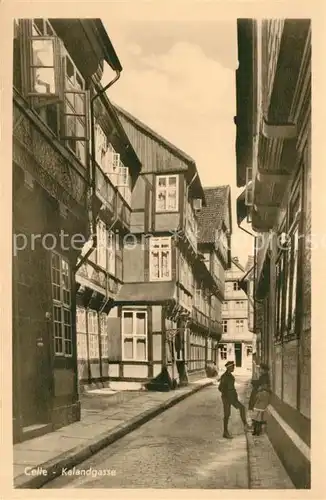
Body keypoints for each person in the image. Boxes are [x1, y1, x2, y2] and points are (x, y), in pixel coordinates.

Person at [218, 360, 248, 439]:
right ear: (229, 368)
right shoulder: (224, 377)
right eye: (232, 367)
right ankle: (225, 432)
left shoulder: (230, 376)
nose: (234, 368)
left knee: (242, 408)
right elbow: (220, 388)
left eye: (234, 366)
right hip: (227, 398)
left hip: (232, 397)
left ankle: (245, 425)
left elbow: (231, 388)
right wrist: (227, 395)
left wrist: (233, 395)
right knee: (227, 415)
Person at [248, 364, 271, 436]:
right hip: (259, 398)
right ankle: (256, 430)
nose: (259, 370)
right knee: (257, 415)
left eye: (260, 369)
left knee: (257, 415)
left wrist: (253, 382)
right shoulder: (264, 376)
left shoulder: (264, 377)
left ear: (264, 370)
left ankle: (257, 430)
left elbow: (260, 384)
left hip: (260, 399)